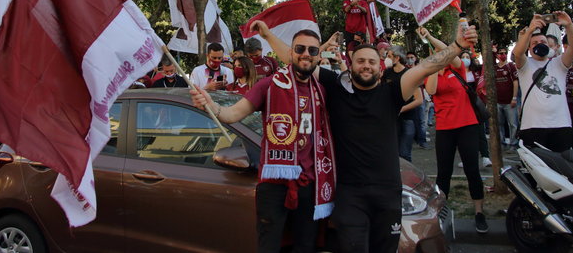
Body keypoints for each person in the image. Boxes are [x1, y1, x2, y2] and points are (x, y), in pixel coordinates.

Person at [258, 20, 478, 251]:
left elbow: (426, 67)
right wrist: (267, 35)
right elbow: (299, 59)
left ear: (380, 68)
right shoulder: (336, 88)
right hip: (349, 195)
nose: (366, 66)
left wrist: (457, 46)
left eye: (372, 62)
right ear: (349, 66)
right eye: (360, 61)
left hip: (388, 196)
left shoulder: (394, 91)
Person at [190, 28, 337, 253]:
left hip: (311, 183)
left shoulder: (324, 89)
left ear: (318, 56)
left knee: (305, 247)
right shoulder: (269, 84)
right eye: (300, 48)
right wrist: (211, 105)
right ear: (291, 53)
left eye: (312, 50)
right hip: (274, 184)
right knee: (269, 246)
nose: (305, 54)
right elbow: (232, 114)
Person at [421, 29, 488, 234]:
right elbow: (431, 91)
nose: (440, 57)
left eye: (442, 56)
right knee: (444, 173)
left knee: (472, 171)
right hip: (444, 129)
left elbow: (450, 50)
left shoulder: (457, 68)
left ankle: (479, 213)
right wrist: (433, 66)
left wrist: (430, 37)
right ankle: (441, 213)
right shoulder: (431, 76)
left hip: (467, 124)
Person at [512, 12, 573, 151]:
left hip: (561, 125)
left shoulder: (559, 63)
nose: (539, 45)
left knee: (561, 170)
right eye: (534, 43)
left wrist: (569, 25)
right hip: (532, 126)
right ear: (529, 49)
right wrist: (530, 30)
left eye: (543, 42)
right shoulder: (525, 65)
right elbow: (518, 53)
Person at [384, 45, 423, 162]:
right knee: (393, 153)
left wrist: (400, 109)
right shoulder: (386, 73)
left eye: (389, 56)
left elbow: (419, 99)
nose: (387, 58)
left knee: (405, 154)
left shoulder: (409, 74)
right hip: (392, 119)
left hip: (408, 119)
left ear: (397, 58)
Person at [460, 51, 492, 168]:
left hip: (475, 107)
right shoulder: (456, 72)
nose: (465, 59)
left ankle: (485, 157)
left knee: (480, 132)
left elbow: (487, 67)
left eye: (467, 57)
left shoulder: (476, 72)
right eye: (462, 57)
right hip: (461, 107)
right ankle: (466, 158)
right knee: (464, 135)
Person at [494, 47, 519, 149]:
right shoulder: (495, 68)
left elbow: (515, 82)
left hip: (509, 102)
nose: (503, 55)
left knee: (513, 124)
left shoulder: (510, 66)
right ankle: (502, 143)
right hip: (498, 101)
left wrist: (514, 98)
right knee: (499, 124)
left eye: (505, 53)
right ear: (497, 55)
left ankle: (513, 143)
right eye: (501, 53)